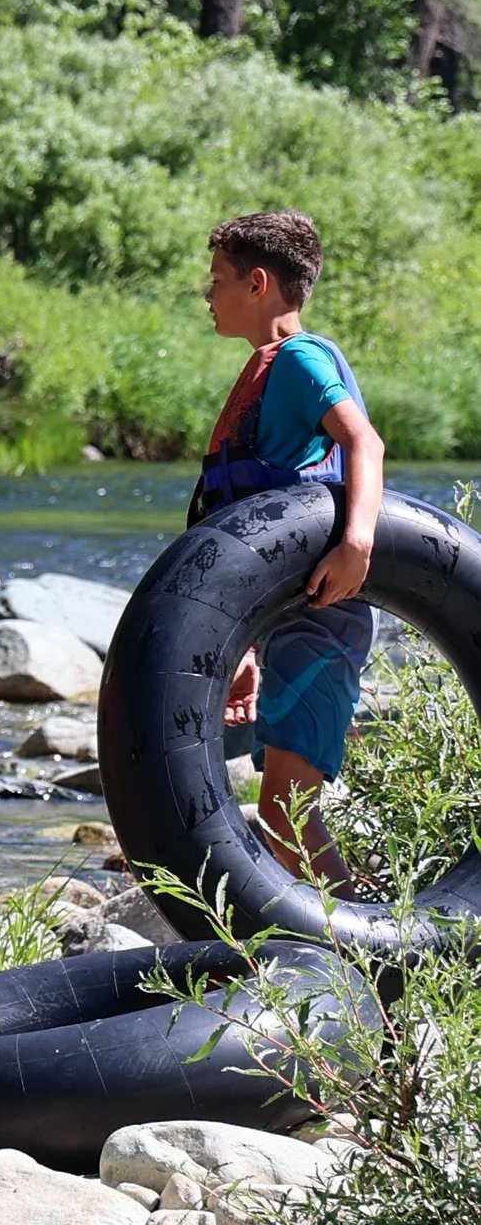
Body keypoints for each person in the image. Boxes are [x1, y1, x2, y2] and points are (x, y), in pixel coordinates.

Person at [194, 209, 386, 888]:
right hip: (284, 615)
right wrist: (244, 646)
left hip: (324, 613)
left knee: (284, 812)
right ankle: (332, 937)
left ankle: (357, 946)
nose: (206, 293)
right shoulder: (264, 366)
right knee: (281, 810)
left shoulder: (300, 359)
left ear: (258, 284)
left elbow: (364, 442)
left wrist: (358, 542)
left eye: (217, 279)